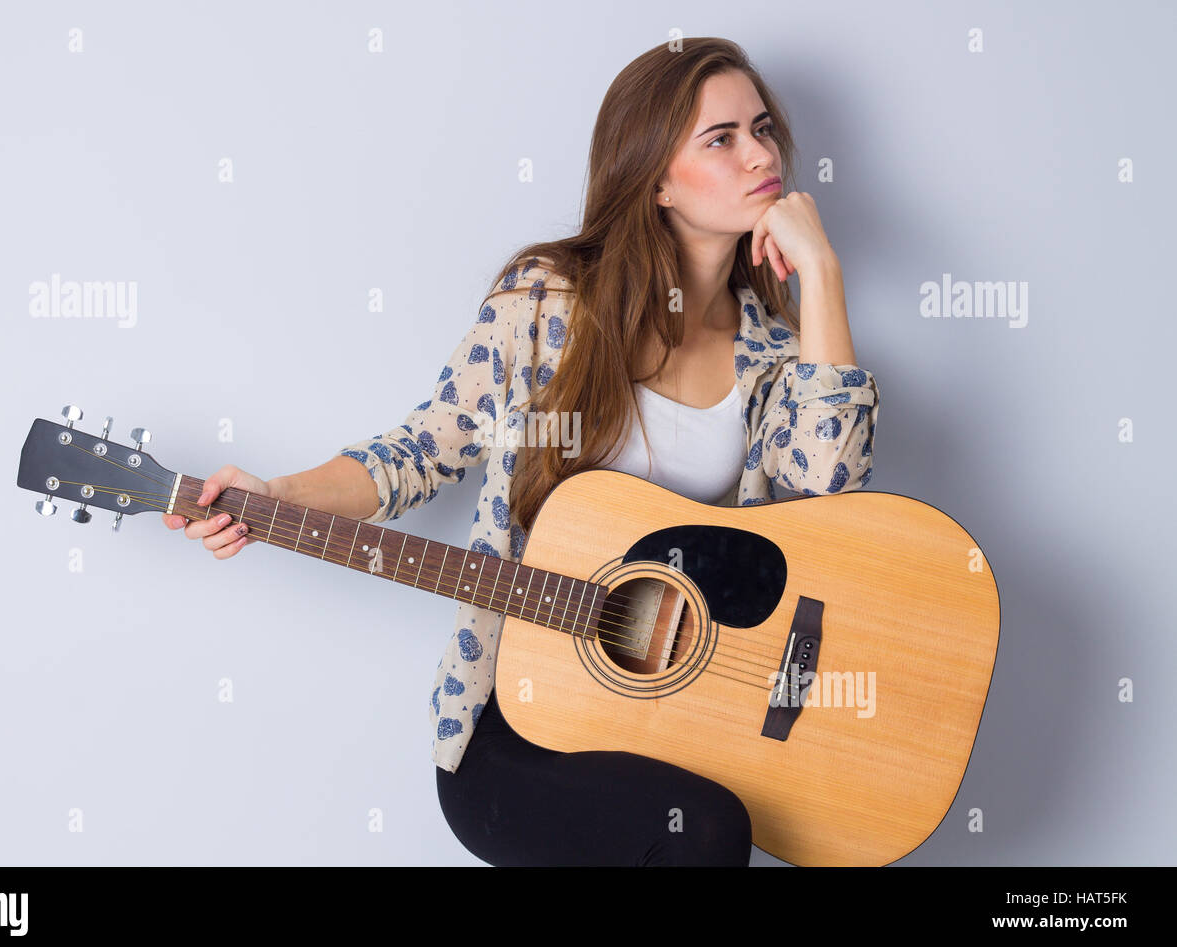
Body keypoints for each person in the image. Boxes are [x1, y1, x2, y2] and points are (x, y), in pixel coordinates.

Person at [163, 37, 880, 866]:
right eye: (720, 139)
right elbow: (421, 449)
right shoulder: (545, 303)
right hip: (519, 717)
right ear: (653, 178)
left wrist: (821, 273)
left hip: (675, 719)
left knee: (711, 818)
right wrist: (278, 493)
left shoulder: (777, 356)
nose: (761, 155)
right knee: (710, 832)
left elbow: (831, 507)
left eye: (762, 128)